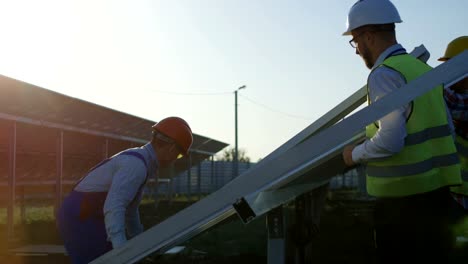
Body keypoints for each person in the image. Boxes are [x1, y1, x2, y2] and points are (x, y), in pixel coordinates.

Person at [340, 0, 462, 263]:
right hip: (437, 198)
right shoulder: (421, 70)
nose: (357, 50)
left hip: (402, 207)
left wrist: (355, 154)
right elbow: (447, 129)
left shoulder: (384, 75)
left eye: (356, 42)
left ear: (369, 35)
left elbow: (391, 140)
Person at [57, 116, 193, 264]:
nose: (175, 159)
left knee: (107, 254)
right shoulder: (136, 165)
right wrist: (122, 253)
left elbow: (130, 209)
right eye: (179, 155)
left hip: (90, 214)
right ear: (171, 147)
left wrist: (138, 241)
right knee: (101, 259)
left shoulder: (143, 163)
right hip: (80, 215)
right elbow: (115, 206)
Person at [438, 36, 468, 258]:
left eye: (450, 67)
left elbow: (447, 98)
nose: (447, 74)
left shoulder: (459, 101)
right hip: (457, 196)